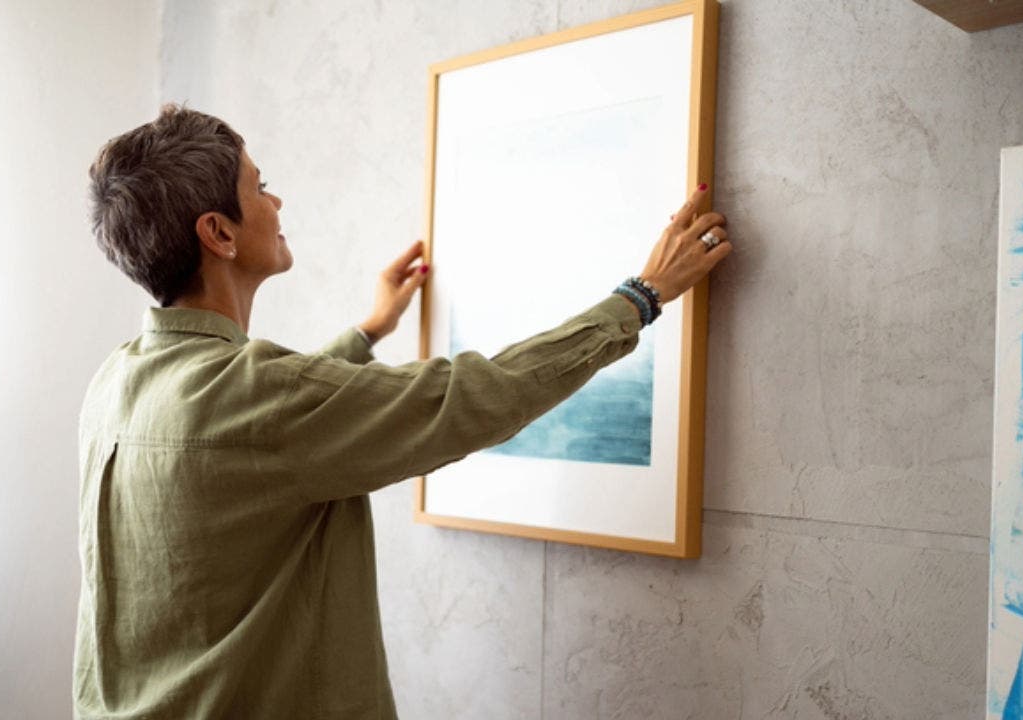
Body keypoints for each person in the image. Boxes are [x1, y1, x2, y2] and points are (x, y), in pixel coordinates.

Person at [74, 104, 731, 719]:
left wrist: (370, 330)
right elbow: (476, 395)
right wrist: (639, 298)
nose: (277, 202)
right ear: (219, 233)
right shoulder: (256, 400)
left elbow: (261, 434)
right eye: (260, 186)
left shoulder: (115, 380)